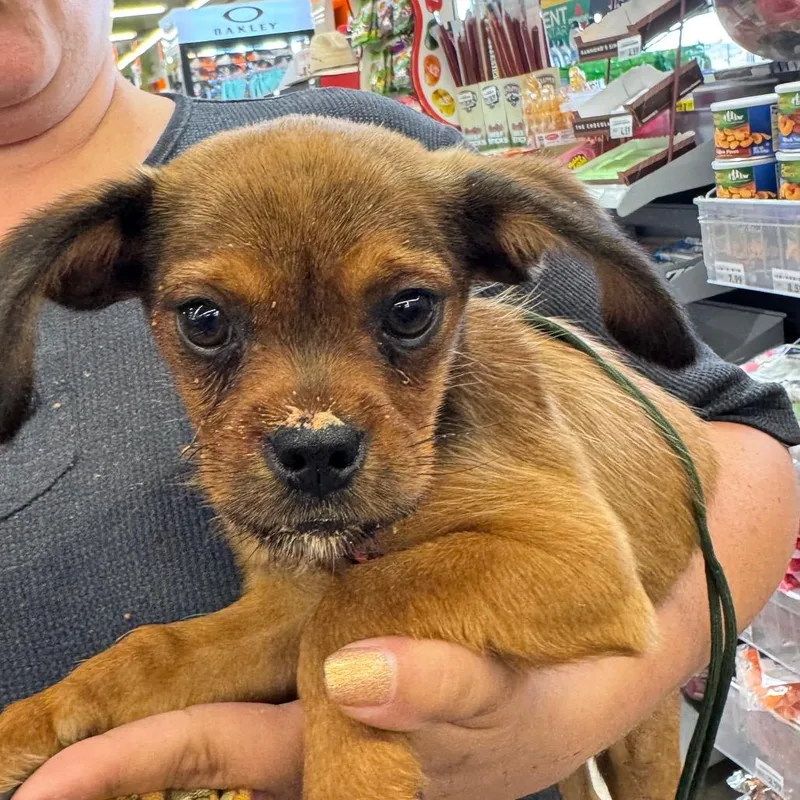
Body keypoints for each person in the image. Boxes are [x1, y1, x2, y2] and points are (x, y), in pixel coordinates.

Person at [1, 3, 798, 799]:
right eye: (210, 324)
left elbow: (740, 443)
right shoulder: (138, 222)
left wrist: (565, 718)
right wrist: (66, 710)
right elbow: (287, 615)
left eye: (407, 314)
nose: (311, 430)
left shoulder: (390, 150)